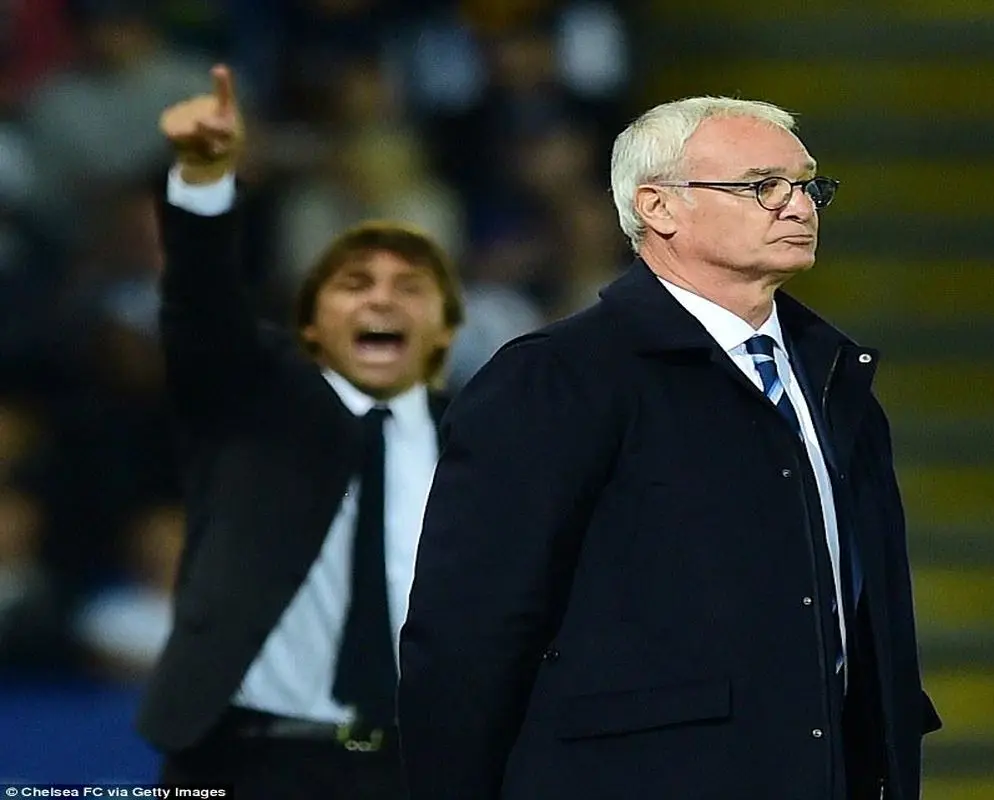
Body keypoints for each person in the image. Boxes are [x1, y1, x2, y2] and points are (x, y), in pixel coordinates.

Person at [396, 96, 941, 800]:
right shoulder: (557, 378)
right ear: (657, 207)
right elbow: (470, 631)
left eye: (809, 186)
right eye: (763, 186)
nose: (799, 205)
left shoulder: (836, 382)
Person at [136, 65, 463, 799]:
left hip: (422, 769)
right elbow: (200, 308)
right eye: (354, 284)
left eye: (411, 287)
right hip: (243, 766)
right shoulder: (252, 405)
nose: (382, 301)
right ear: (310, 325)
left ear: (445, 328)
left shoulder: (490, 443)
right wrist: (204, 182)